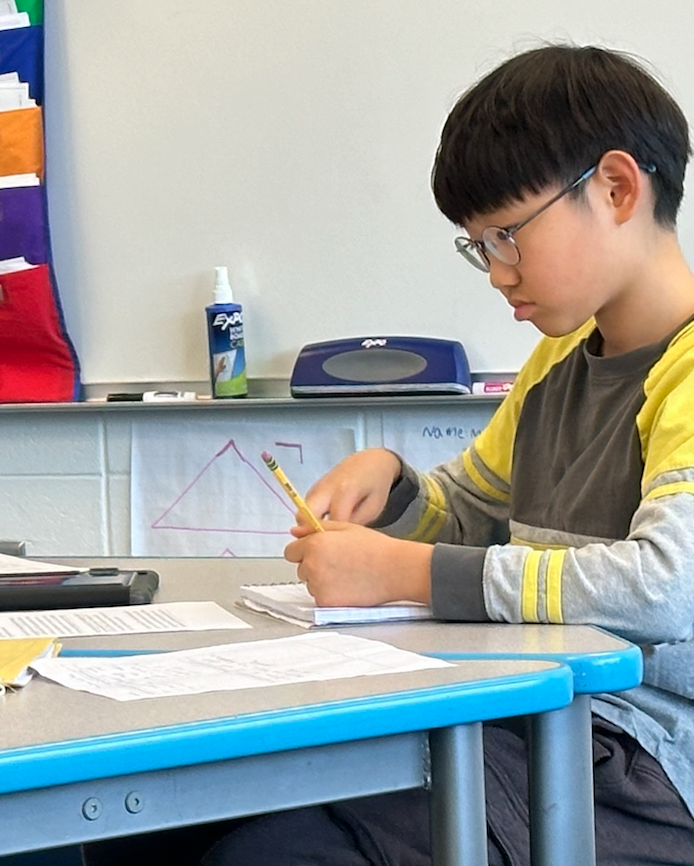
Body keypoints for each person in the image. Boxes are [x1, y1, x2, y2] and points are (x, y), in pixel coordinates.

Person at [199, 44, 694, 866]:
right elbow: (465, 511)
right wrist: (393, 488)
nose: (498, 273)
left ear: (615, 188)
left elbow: (663, 588)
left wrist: (401, 573)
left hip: (646, 766)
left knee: (275, 847)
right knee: (187, 814)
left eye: (508, 235)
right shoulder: (558, 365)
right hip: (539, 717)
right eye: (480, 247)